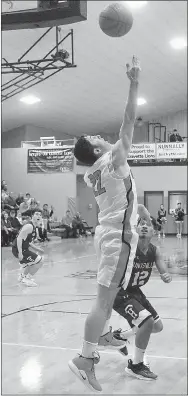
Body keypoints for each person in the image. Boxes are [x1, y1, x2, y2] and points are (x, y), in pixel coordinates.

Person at [68, 56, 151, 392]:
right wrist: (134, 83)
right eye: (94, 136)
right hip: (117, 237)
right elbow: (129, 120)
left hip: (109, 232)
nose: (100, 136)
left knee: (107, 298)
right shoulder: (113, 160)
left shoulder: (94, 171)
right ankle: (84, 358)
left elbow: (123, 196)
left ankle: (100, 336)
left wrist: (140, 209)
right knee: (103, 302)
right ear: (96, 148)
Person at [112, 216, 172, 380]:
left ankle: (120, 336)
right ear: (135, 229)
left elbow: (162, 268)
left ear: (154, 231)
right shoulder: (129, 247)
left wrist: (165, 274)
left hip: (135, 291)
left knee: (157, 326)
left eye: (148, 224)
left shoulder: (154, 251)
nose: (144, 226)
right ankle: (136, 365)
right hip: (119, 291)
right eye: (141, 224)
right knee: (147, 322)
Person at [12, 210, 44, 286]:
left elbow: (28, 241)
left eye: (40, 215)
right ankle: (27, 279)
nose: (39, 216)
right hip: (19, 249)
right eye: (36, 214)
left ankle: (21, 277)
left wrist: (37, 249)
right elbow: (19, 238)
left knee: (28, 264)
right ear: (32, 216)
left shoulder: (33, 227)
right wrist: (20, 253)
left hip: (21, 249)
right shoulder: (29, 226)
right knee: (40, 261)